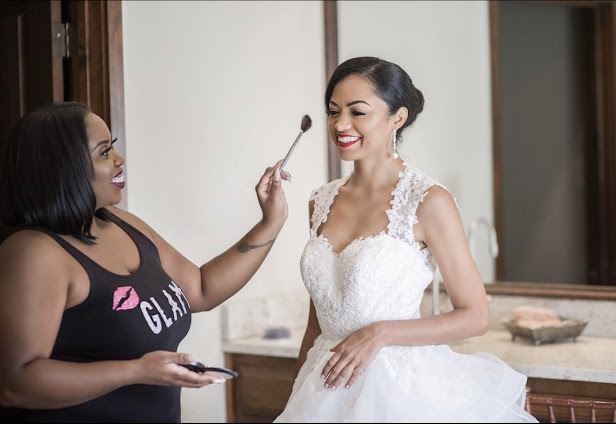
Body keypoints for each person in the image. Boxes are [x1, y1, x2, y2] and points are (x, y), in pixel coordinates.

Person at [273, 57, 538, 423]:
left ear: (397, 117)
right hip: (321, 390)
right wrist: (297, 393)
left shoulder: (428, 201)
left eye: (357, 112)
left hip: (398, 393)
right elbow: (317, 322)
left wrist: (380, 333)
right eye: (333, 111)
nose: (341, 124)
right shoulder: (319, 202)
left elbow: (475, 316)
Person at [0, 101, 289, 422]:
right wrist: (136, 371)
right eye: (104, 152)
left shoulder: (121, 223)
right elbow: (16, 383)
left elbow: (201, 289)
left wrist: (271, 223)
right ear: (62, 167)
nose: (119, 159)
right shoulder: (34, 252)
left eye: (113, 147)